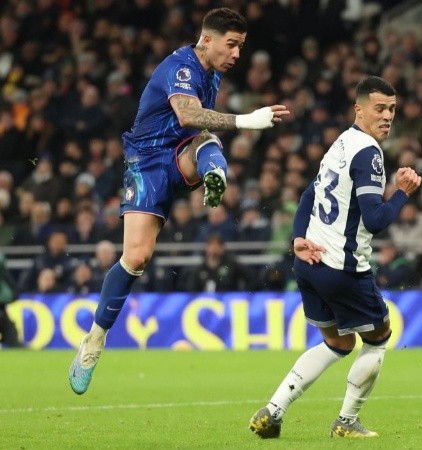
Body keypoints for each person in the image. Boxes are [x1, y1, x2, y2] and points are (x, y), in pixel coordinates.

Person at [68, 8, 290, 395]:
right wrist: (246, 120)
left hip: (182, 155)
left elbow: (196, 126)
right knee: (136, 258)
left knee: (207, 141)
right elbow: (187, 114)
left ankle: (214, 174)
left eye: (241, 46)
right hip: (147, 162)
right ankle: (94, 341)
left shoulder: (213, 73)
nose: (237, 54)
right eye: (232, 44)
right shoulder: (182, 66)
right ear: (208, 39)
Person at [249, 76, 422, 439]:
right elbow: (375, 220)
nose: (387, 116)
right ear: (359, 110)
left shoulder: (341, 142)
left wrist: (298, 237)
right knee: (378, 337)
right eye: (379, 108)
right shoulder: (369, 153)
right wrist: (402, 193)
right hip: (342, 268)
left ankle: (273, 411)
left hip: (308, 264)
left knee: (338, 343)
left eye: (392, 109)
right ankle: (346, 421)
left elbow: (307, 197)